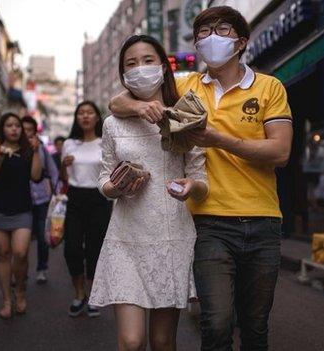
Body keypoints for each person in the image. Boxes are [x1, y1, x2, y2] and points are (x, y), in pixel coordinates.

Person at [109, 7, 293, 350]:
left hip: (263, 219)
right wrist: (137, 108)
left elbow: (280, 152)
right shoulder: (185, 85)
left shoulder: (270, 88)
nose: (210, 38)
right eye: (203, 32)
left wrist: (218, 139)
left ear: (241, 42)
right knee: (217, 323)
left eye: (221, 30)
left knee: (255, 326)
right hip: (209, 223)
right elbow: (118, 101)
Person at [89, 34, 209, 351]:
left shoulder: (184, 118)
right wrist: (113, 187)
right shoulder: (112, 123)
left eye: (147, 61)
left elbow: (200, 178)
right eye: (131, 64)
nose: (140, 69)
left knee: (162, 341)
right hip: (125, 238)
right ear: (123, 74)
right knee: (130, 342)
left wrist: (191, 187)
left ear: (163, 67)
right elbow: (104, 176)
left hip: (172, 238)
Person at [0, 112, 42, 319]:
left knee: (21, 252)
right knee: (3, 255)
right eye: (9, 125)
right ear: (3, 129)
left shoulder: (27, 150)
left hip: (22, 209)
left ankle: (21, 292)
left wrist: (36, 151)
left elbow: (36, 177)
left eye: (17, 125)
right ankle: (7, 300)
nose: (14, 129)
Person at [61, 101, 112, 318]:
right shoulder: (69, 144)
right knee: (71, 248)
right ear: (76, 118)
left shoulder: (105, 143)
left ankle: (92, 296)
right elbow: (65, 178)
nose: (85, 116)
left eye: (89, 112)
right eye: (80, 113)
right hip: (74, 197)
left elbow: (111, 173)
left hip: (99, 198)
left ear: (97, 118)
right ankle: (78, 293)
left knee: (94, 250)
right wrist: (64, 165)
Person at [21, 115, 59, 284]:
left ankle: (42, 268)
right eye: (24, 129)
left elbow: (53, 171)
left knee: (43, 235)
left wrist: (57, 194)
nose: (26, 133)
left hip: (42, 198)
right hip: (22, 200)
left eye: (30, 130)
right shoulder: (13, 149)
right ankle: (20, 271)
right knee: (22, 240)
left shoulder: (42, 149)